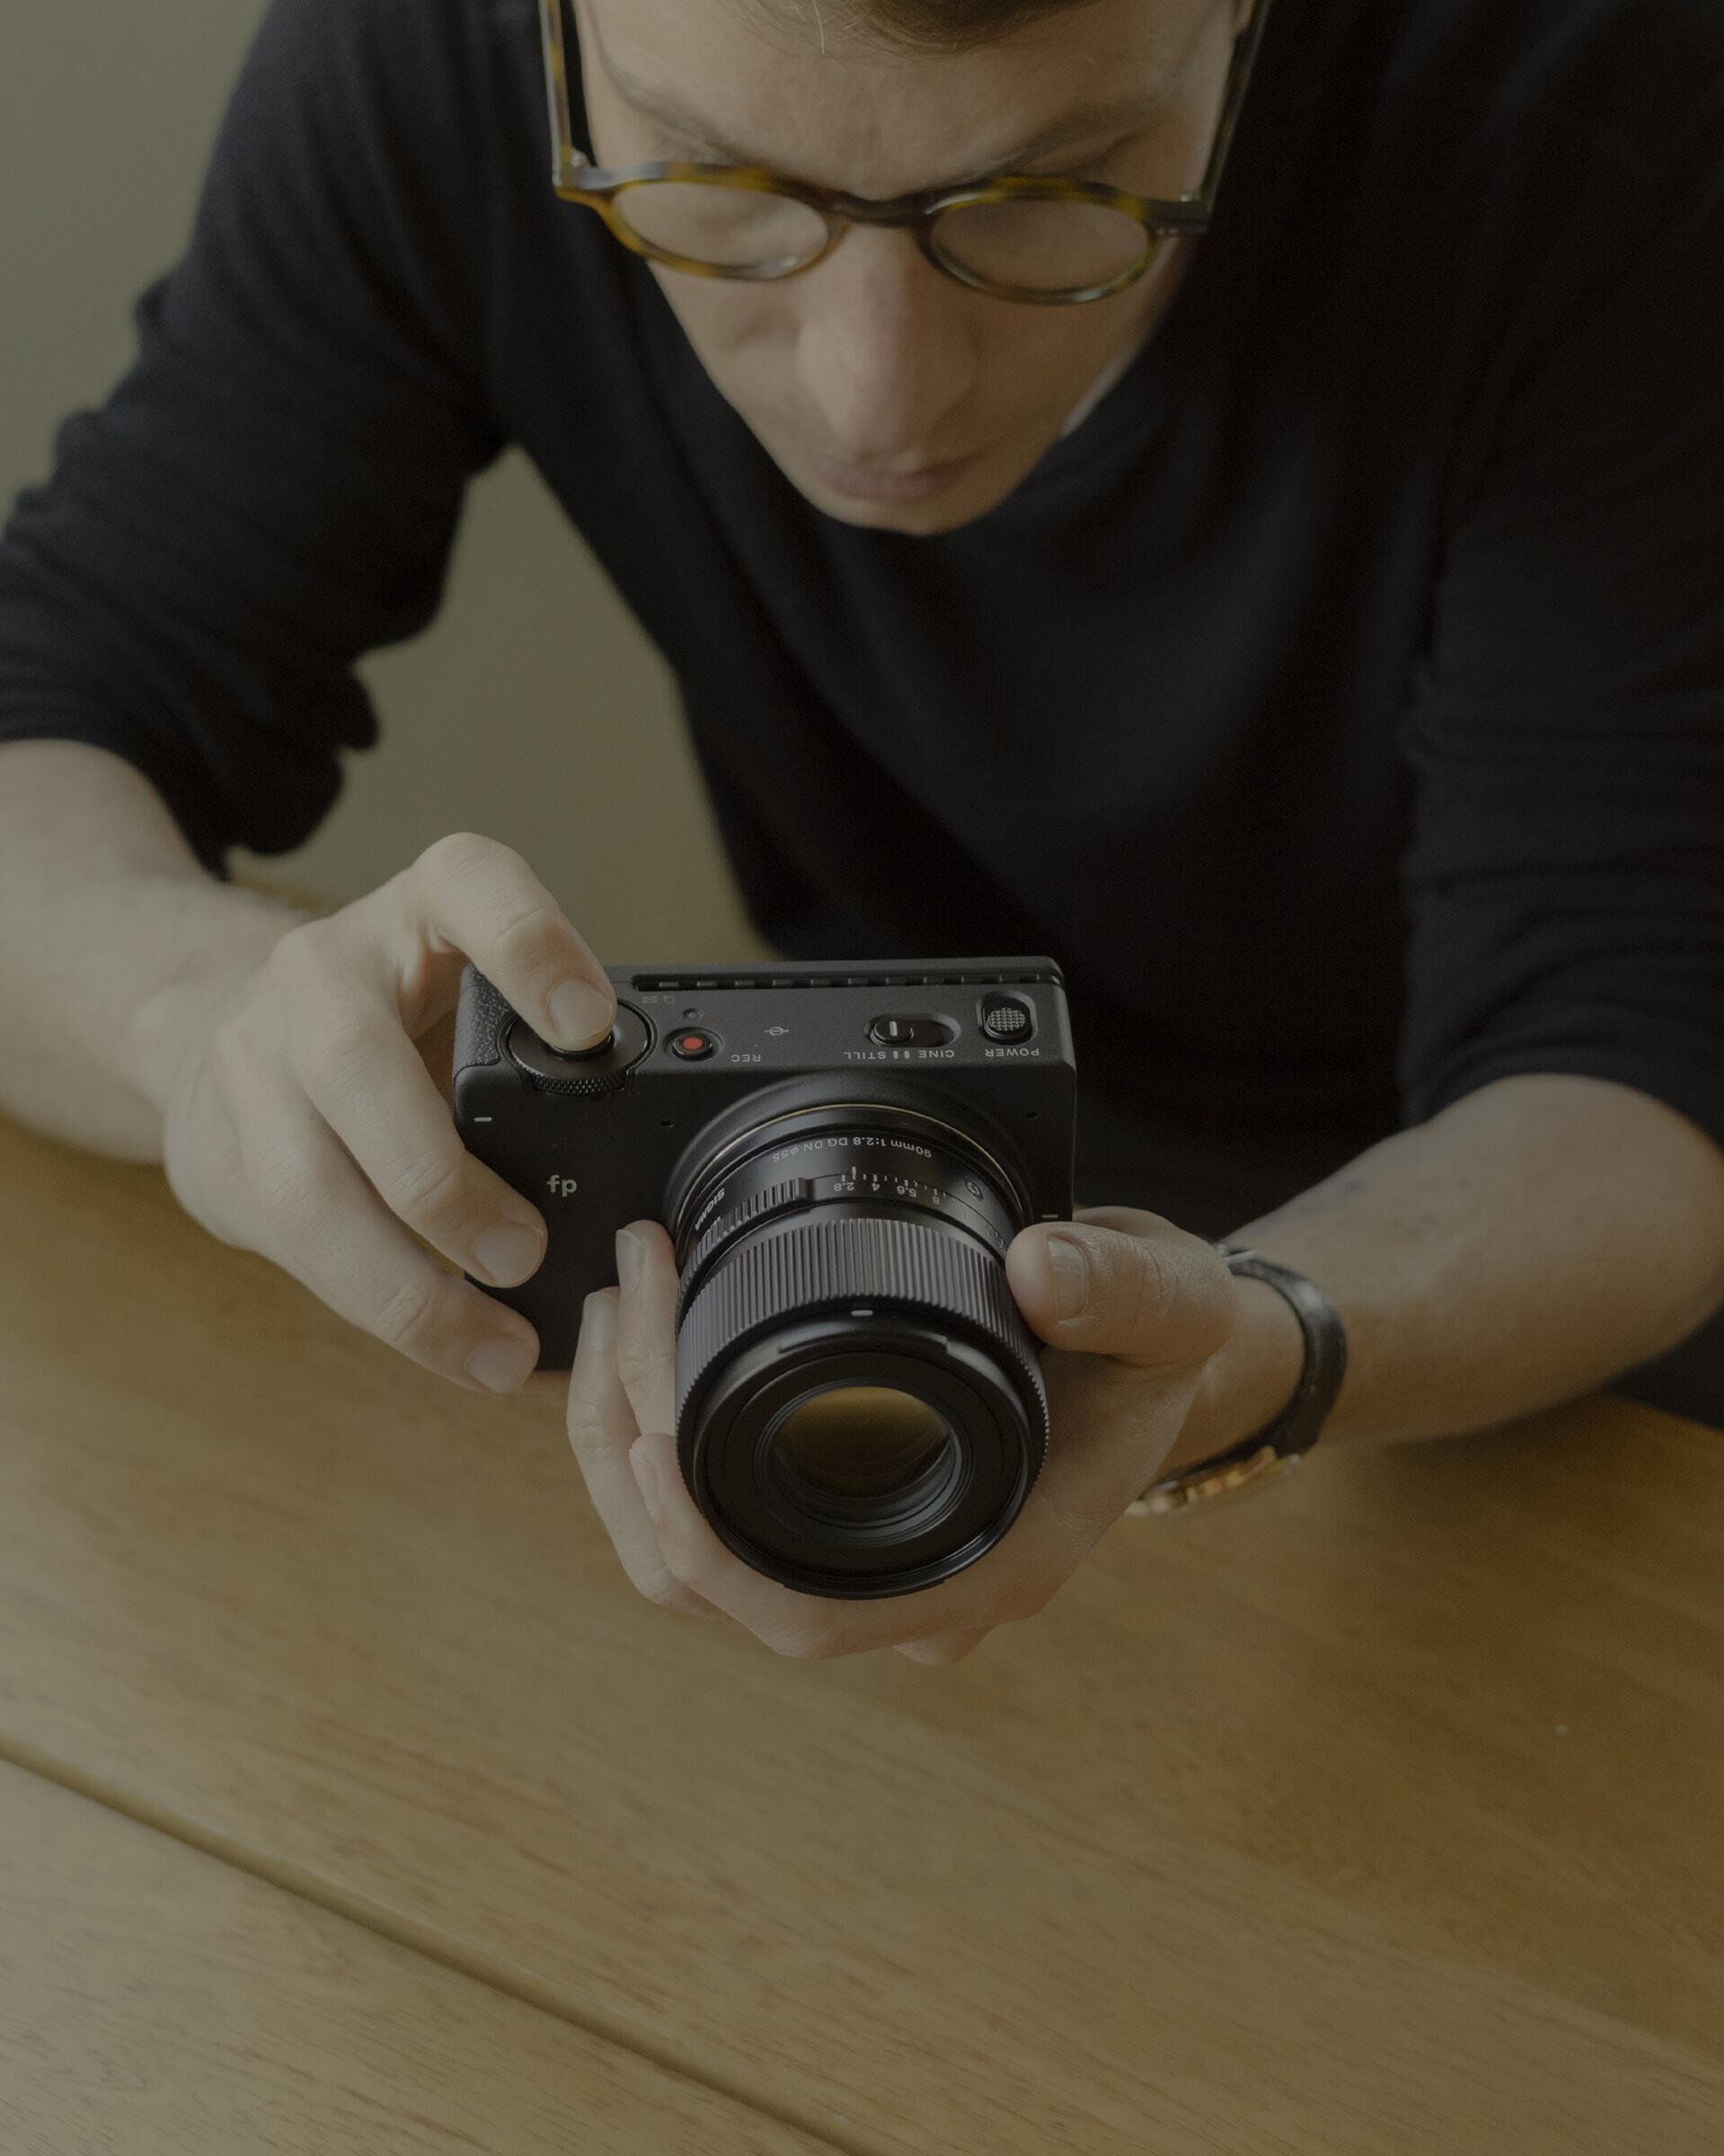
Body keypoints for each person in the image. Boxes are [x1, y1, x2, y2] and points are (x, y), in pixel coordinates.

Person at [1, 0, 1721, 1657]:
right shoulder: (442, 52)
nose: (873, 399)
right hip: (885, 1195)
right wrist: (203, 1026)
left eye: (1054, 192)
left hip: (1521, 1300)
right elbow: (59, 702)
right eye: (715, 185)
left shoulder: (1616, 115)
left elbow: (1644, 1055)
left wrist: (1256, 1344)